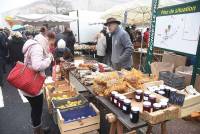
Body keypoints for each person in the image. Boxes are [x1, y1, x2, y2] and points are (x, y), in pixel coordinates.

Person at [21, 31, 55, 134]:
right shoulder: (38, 47)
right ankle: (38, 131)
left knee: (35, 109)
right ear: (47, 39)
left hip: (28, 82)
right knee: (37, 109)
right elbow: (37, 66)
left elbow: (33, 62)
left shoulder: (33, 43)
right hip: (33, 84)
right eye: (51, 44)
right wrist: (48, 59)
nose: (51, 46)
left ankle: (38, 128)